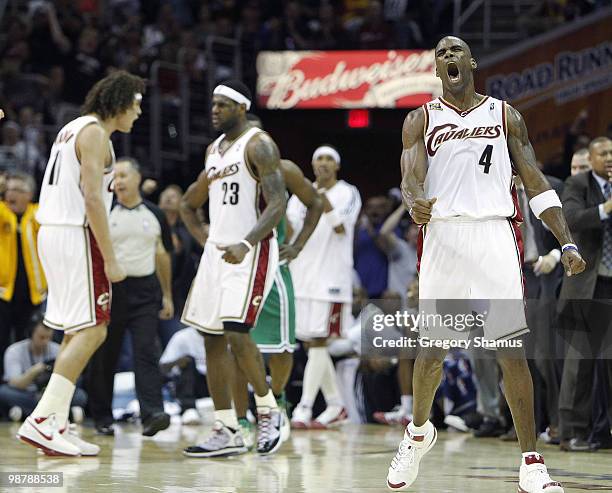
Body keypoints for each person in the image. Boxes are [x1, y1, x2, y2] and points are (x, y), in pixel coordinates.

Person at [386, 36, 585, 493]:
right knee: (432, 351)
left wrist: (567, 241)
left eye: (456, 50)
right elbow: (410, 177)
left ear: (471, 61)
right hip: (444, 236)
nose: (448, 57)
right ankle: (417, 434)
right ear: (436, 69)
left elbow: (534, 179)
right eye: (441, 53)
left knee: (509, 349)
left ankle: (531, 463)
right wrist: (415, 201)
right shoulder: (420, 120)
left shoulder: (504, 114)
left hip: (496, 233)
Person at [16, 70, 144, 456]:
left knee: (77, 327)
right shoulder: (95, 135)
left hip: (53, 232)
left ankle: (55, 421)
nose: (138, 114)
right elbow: (92, 198)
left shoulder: (73, 128)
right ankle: (42, 419)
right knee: (95, 330)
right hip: (75, 232)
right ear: (120, 103)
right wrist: (111, 258)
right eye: (136, 106)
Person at [179, 80, 287, 457]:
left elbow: (278, 203)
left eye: (222, 105)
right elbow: (187, 204)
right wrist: (204, 239)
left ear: (241, 108)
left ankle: (269, 412)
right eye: (212, 104)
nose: (214, 110)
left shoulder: (259, 144)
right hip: (218, 252)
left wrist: (245, 242)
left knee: (237, 333)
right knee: (210, 337)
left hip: (252, 250)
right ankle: (226, 426)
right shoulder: (213, 150)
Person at [230, 114, 325, 446]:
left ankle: (278, 398)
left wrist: (297, 245)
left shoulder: (283, 169)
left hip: (271, 266)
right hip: (235, 267)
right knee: (236, 349)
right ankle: (240, 421)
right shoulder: (221, 166)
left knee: (283, 347)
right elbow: (190, 205)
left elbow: (316, 203)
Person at [85, 157, 173, 437]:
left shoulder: (155, 214)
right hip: (111, 291)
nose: (118, 181)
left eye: (123, 175)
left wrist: (167, 295)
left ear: (137, 179)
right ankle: (101, 415)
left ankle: (152, 414)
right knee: (105, 355)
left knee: (146, 351)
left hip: (145, 292)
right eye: (115, 176)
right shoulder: (104, 212)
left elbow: (162, 255)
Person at [288, 145, 362, 429]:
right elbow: (293, 233)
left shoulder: (348, 192)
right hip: (302, 277)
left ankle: (304, 407)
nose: (323, 163)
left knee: (320, 341)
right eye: (319, 158)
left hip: (332, 279)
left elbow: (341, 227)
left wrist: (318, 199)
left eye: (330, 158)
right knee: (311, 343)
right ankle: (335, 404)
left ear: (337, 166)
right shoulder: (298, 196)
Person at [558, 136, 612, 452]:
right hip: (584, 286)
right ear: (590, 158)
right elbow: (572, 219)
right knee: (579, 363)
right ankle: (572, 433)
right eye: (603, 153)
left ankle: (604, 430)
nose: (609, 158)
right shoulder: (577, 184)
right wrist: (605, 208)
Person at [0, 172, 47, 382]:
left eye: (17, 190)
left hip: (33, 295)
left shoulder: (38, 214)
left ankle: (28, 388)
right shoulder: (1, 212)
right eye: (8, 190)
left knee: (28, 343)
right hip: (3, 294)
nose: (11, 194)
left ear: (29, 194)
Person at [0, 318, 86, 422]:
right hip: (27, 393)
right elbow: (15, 383)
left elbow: (70, 380)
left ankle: (24, 414)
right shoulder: (14, 351)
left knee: (80, 395)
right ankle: (60, 415)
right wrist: (35, 371)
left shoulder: (57, 349)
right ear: (31, 334)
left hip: (51, 394)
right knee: (4, 392)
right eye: (41, 337)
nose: (45, 341)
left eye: (49, 338)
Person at [159, 326, 208, 425]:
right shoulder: (181, 337)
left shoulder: (224, 336)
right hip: (191, 384)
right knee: (188, 360)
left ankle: (242, 407)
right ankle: (188, 409)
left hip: (217, 383)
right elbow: (162, 368)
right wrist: (177, 362)